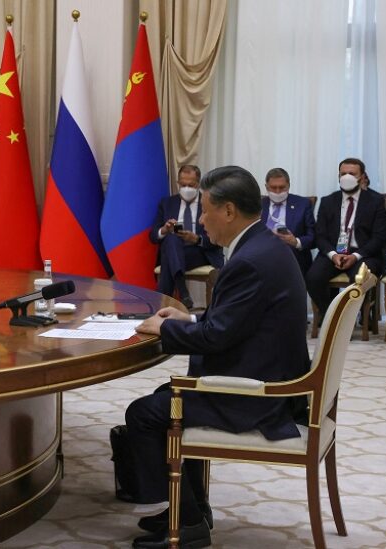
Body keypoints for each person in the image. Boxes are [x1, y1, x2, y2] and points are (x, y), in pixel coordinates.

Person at [128, 166, 310, 549]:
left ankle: (189, 521)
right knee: (167, 395)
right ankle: (189, 506)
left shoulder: (249, 260)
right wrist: (188, 317)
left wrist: (164, 330)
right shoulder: (264, 246)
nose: (202, 219)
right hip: (271, 377)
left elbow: (217, 337)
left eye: (207, 210)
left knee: (144, 414)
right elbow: (236, 319)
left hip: (256, 397)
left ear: (228, 211)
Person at [306, 158, 386, 324]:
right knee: (313, 277)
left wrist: (356, 256)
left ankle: (347, 319)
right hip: (333, 253)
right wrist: (333, 255)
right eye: (343, 174)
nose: (347, 177)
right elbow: (320, 235)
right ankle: (331, 316)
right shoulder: (328, 201)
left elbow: (379, 237)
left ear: (362, 177)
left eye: (352, 174)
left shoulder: (375, 202)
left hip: (364, 255)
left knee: (359, 280)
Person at [150, 165, 223, 309]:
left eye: (191, 185)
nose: (187, 188)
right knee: (171, 239)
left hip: (199, 252)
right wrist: (164, 230)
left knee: (168, 259)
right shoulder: (167, 203)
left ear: (199, 183)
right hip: (175, 250)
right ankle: (183, 294)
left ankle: (161, 307)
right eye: (183, 185)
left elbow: (219, 238)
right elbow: (152, 237)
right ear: (178, 183)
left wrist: (195, 239)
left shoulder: (211, 202)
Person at [260, 167, 316, 275]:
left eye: (282, 187)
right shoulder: (258, 205)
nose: (277, 191)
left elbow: (313, 237)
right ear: (266, 187)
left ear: (288, 186)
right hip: (262, 254)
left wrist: (296, 242)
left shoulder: (303, 204)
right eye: (273, 187)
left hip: (291, 255)